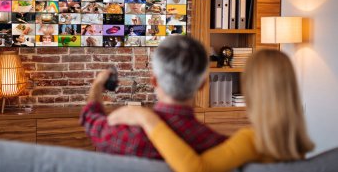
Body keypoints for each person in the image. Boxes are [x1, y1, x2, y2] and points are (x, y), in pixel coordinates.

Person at [108, 49, 315, 172]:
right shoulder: (296, 143)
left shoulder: (252, 141)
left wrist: (147, 119)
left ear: (253, 91)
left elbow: (195, 169)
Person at [79, 35, 227, 159]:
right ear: (203, 84)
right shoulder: (217, 145)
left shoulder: (122, 137)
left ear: (154, 80)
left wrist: (98, 84)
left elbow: (90, 119)